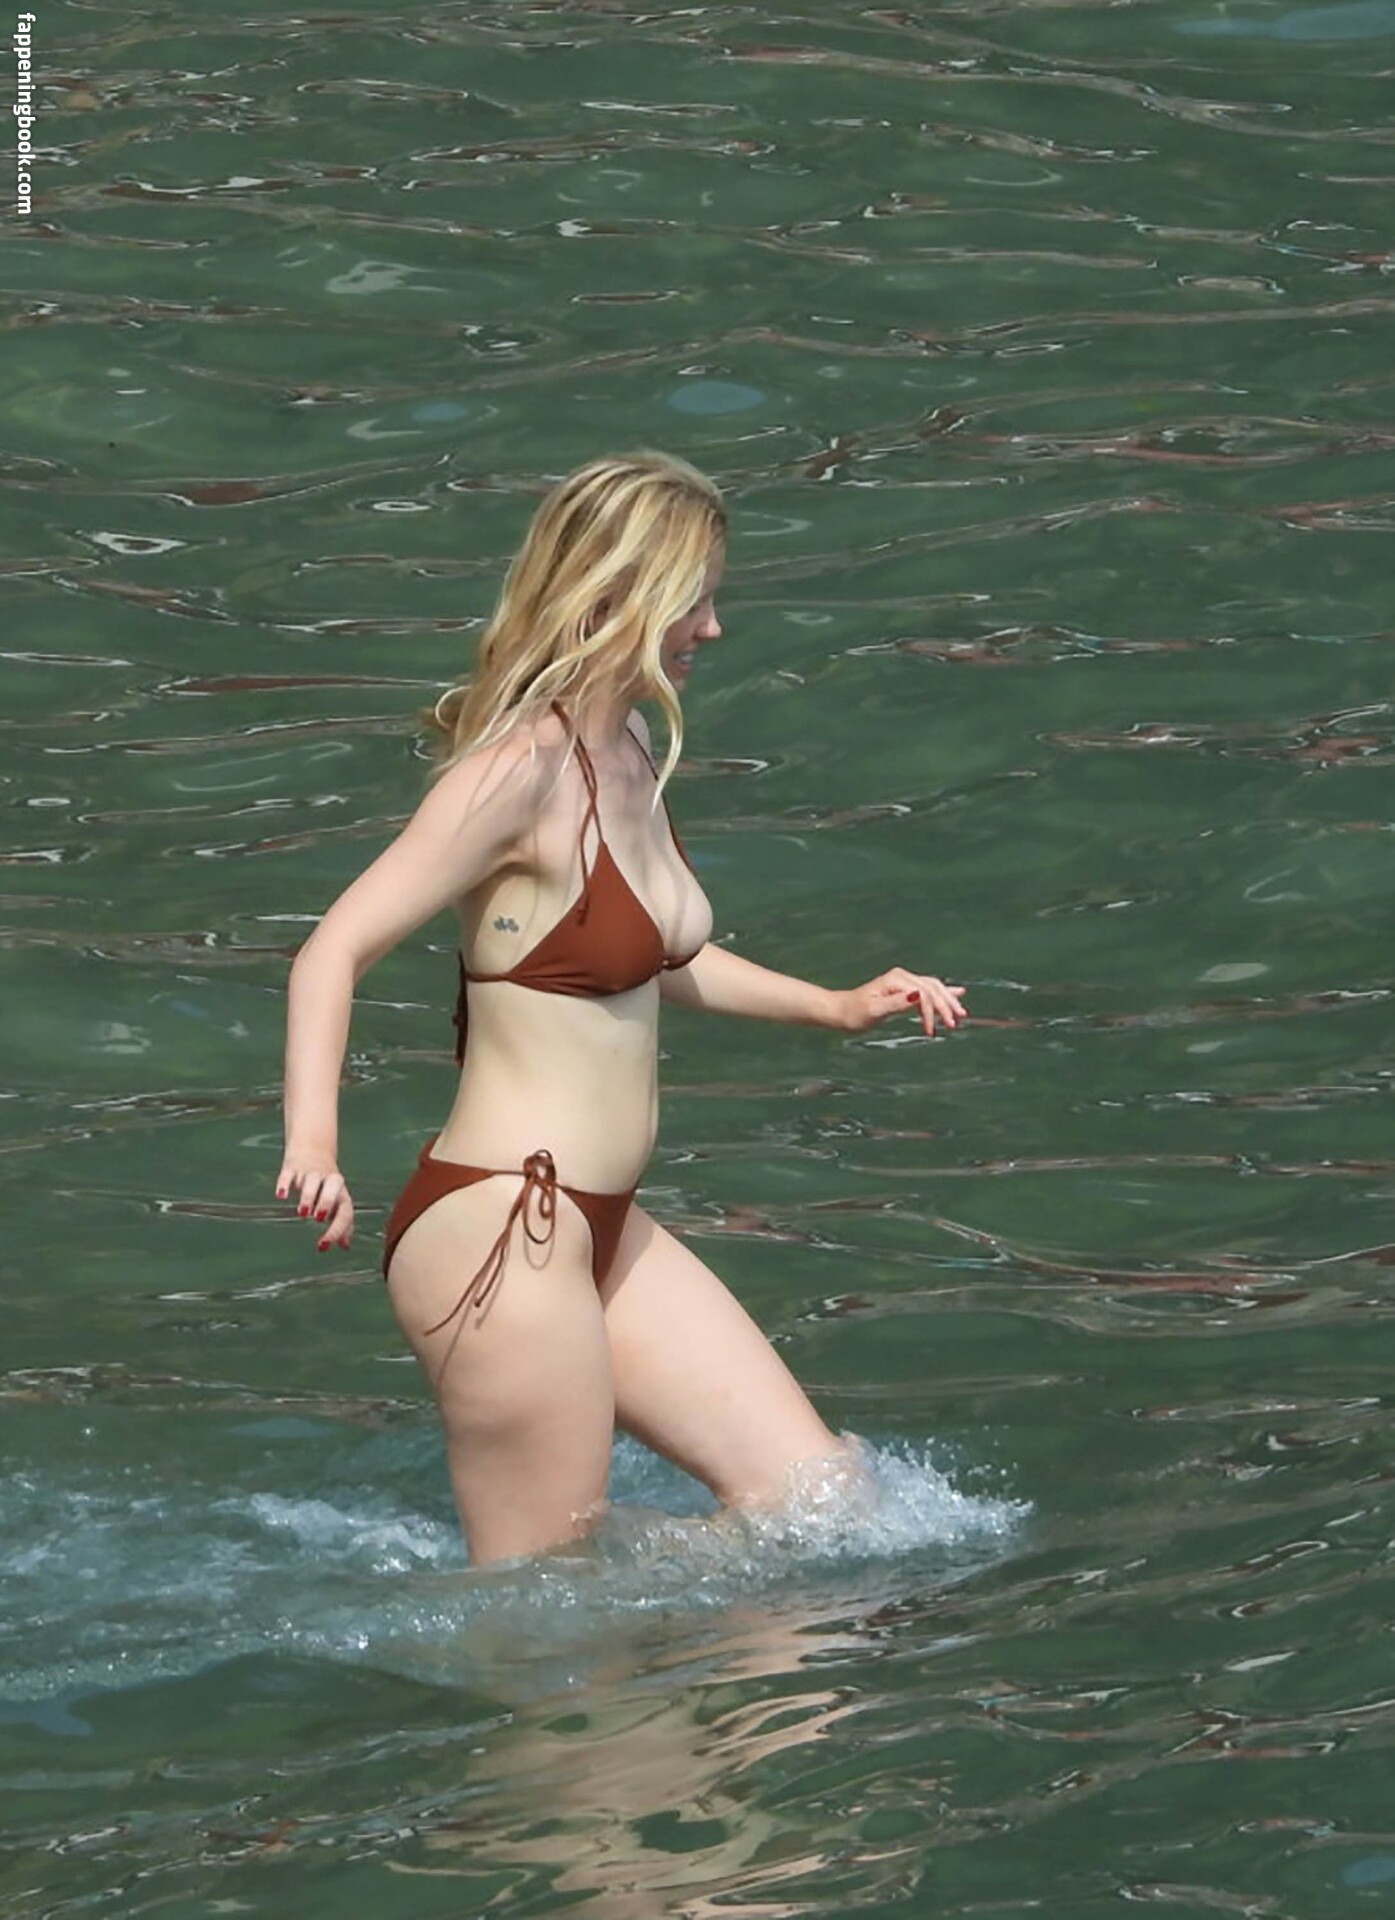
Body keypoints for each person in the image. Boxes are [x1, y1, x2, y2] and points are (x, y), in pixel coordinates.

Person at [276, 450, 967, 1568]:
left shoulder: (632, 749)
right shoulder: (517, 775)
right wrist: (314, 1145)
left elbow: (646, 956)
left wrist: (835, 1008)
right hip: (503, 1230)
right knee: (549, 1608)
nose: (713, 628)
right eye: (694, 599)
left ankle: (663, 1624)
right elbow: (332, 950)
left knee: (825, 1505)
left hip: (600, 1227)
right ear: (619, 594)